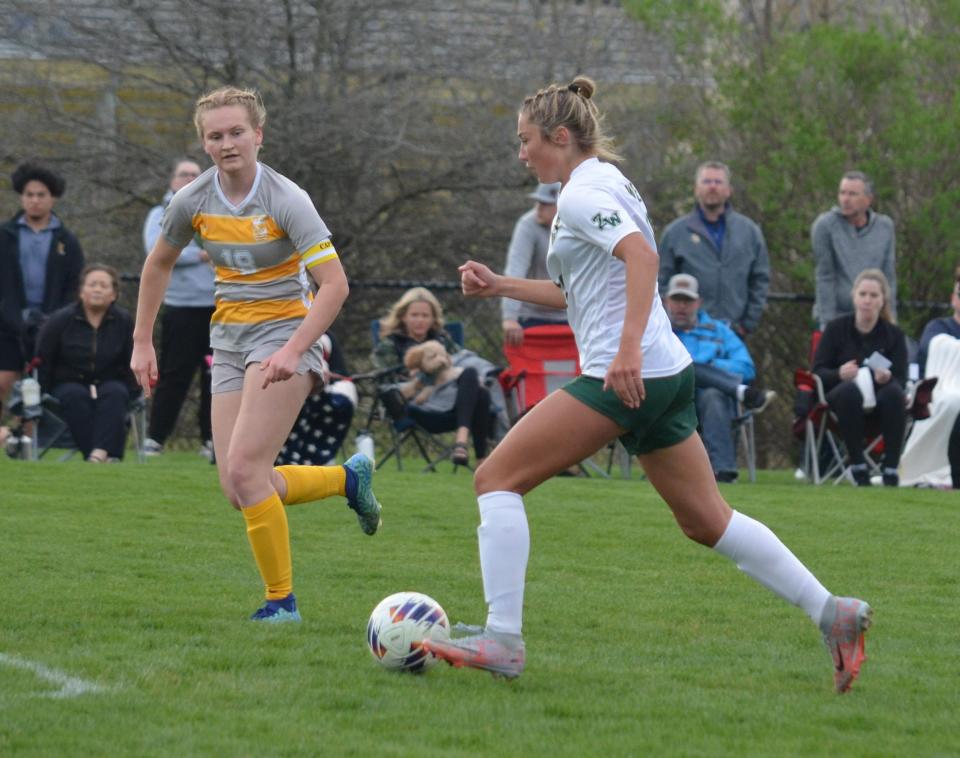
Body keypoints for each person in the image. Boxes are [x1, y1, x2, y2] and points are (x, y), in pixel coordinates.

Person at [422, 75, 872, 695]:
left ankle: (502, 638)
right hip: (664, 374)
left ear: (559, 137)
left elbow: (644, 259)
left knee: (494, 479)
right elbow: (575, 290)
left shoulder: (583, 194)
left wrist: (626, 350)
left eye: (525, 141)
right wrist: (500, 285)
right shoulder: (599, 184)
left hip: (624, 374)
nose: (520, 153)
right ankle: (833, 611)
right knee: (707, 520)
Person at [131, 86, 382, 623]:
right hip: (228, 339)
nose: (227, 143)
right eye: (215, 136)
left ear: (258, 135)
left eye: (236, 132)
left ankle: (281, 603)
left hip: (287, 331)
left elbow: (335, 284)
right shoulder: (193, 201)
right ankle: (346, 480)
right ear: (204, 143)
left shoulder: (286, 198)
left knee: (247, 470)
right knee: (237, 485)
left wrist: (296, 348)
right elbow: (157, 266)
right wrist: (141, 341)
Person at [664, 273, 775, 483]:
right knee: (685, 366)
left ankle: (724, 471)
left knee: (712, 394)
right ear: (666, 301)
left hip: (712, 404)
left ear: (698, 302)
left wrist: (713, 369)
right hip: (671, 399)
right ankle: (741, 392)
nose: (681, 306)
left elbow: (746, 367)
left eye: (687, 300)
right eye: (677, 300)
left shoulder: (720, 331)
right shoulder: (658, 331)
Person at [141, 157, 216, 458]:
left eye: (195, 175)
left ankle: (211, 440)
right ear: (172, 181)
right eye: (183, 174)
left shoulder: (216, 211)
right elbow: (156, 252)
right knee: (174, 375)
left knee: (217, 375)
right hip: (181, 308)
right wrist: (201, 255)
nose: (188, 179)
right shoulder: (161, 213)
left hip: (218, 307)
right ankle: (156, 438)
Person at [0, 162, 85, 419]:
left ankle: (26, 442)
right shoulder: (5, 235)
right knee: (4, 381)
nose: (35, 201)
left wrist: (57, 319)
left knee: (36, 387)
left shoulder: (66, 240)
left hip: (50, 324)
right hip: (7, 322)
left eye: (41, 195)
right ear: (21, 197)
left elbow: (74, 285)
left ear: (52, 198)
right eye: (29, 195)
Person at [373, 286, 494, 463]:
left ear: (432, 318)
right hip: (418, 406)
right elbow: (387, 380)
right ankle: (478, 455)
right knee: (479, 392)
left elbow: (459, 361)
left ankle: (466, 448)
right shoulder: (390, 344)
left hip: (453, 400)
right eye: (414, 315)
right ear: (403, 316)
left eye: (425, 315)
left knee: (472, 375)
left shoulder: (443, 340)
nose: (419, 320)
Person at [35, 264, 139, 462]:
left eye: (103, 285)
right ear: (81, 291)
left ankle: (97, 454)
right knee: (75, 396)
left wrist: (134, 389)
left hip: (110, 380)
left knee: (116, 394)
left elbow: (132, 358)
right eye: (92, 285)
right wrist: (43, 388)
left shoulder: (124, 321)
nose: (97, 289)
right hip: (68, 382)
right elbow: (44, 357)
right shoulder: (61, 320)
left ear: (114, 294)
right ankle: (103, 454)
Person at [812, 269, 906, 487]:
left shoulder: (893, 335)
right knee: (848, 391)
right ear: (853, 296)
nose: (867, 301)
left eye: (874, 296)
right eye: (863, 294)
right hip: (842, 400)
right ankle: (857, 465)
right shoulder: (836, 329)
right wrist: (839, 374)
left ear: (883, 300)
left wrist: (887, 379)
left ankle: (890, 468)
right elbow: (818, 372)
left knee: (894, 394)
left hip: (880, 401)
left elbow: (901, 379)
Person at [658, 161, 769, 337]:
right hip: (685, 333)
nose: (712, 187)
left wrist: (748, 323)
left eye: (718, 182)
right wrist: (673, 321)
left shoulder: (749, 232)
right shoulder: (675, 233)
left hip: (734, 332)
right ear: (696, 189)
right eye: (706, 182)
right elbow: (661, 282)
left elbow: (760, 280)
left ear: (728, 190)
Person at [899, 268, 960, 489]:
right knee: (953, 402)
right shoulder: (938, 327)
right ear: (953, 299)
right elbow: (933, 347)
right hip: (937, 395)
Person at [812, 170, 896, 330]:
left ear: (868, 199)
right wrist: (827, 326)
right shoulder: (825, 226)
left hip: (874, 319)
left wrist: (890, 320)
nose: (845, 199)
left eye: (852, 194)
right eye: (842, 193)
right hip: (838, 319)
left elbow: (888, 277)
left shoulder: (885, 227)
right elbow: (825, 277)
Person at [501, 182, 568, 347]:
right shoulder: (528, 224)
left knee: (571, 370)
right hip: (531, 317)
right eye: (538, 202)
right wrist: (510, 318)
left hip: (570, 316)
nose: (538, 208)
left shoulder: (577, 225)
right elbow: (515, 271)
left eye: (546, 204)